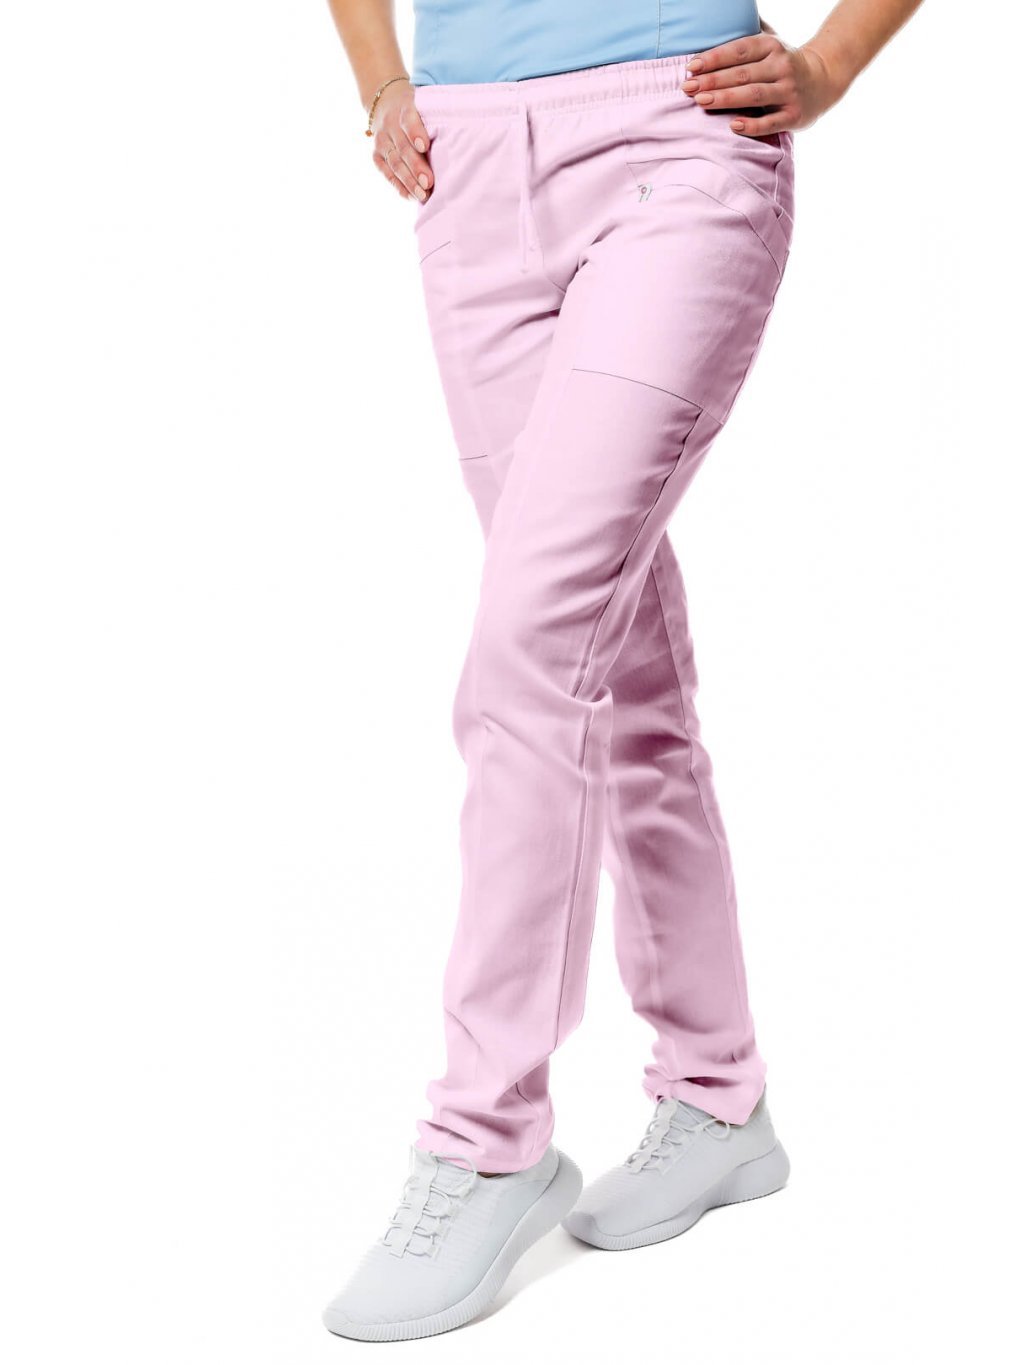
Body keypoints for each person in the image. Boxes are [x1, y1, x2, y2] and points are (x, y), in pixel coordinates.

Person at [322, 0, 924, 1343]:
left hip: (677, 141)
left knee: (529, 647)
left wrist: (828, 64)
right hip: (467, 166)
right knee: (613, 655)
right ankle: (718, 1092)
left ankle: (485, 1138)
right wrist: (381, 85)